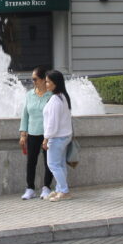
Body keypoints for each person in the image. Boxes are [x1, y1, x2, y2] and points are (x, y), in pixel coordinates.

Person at [18, 65, 54, 200]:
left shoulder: (52, 95)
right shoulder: (29, 95)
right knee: (31, 162)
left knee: (48, 162)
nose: (32, 82)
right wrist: (23, 134)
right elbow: (25, 115)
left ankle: (46, 187)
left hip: (47, 134)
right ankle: (30, 188)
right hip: (32, 133)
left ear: (44, 79)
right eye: (32, 79)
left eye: (35, 79)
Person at [42, 69, 74, 202]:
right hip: (65, 136)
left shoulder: (55, 99)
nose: (46, 84)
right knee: (60, 165)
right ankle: (60, 189)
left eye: (48, 82)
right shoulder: (63, 96)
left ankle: (64, 191)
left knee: (53, 165)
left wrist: (46, 138)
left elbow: (52, 123)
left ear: (55, 83)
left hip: (57, 137)